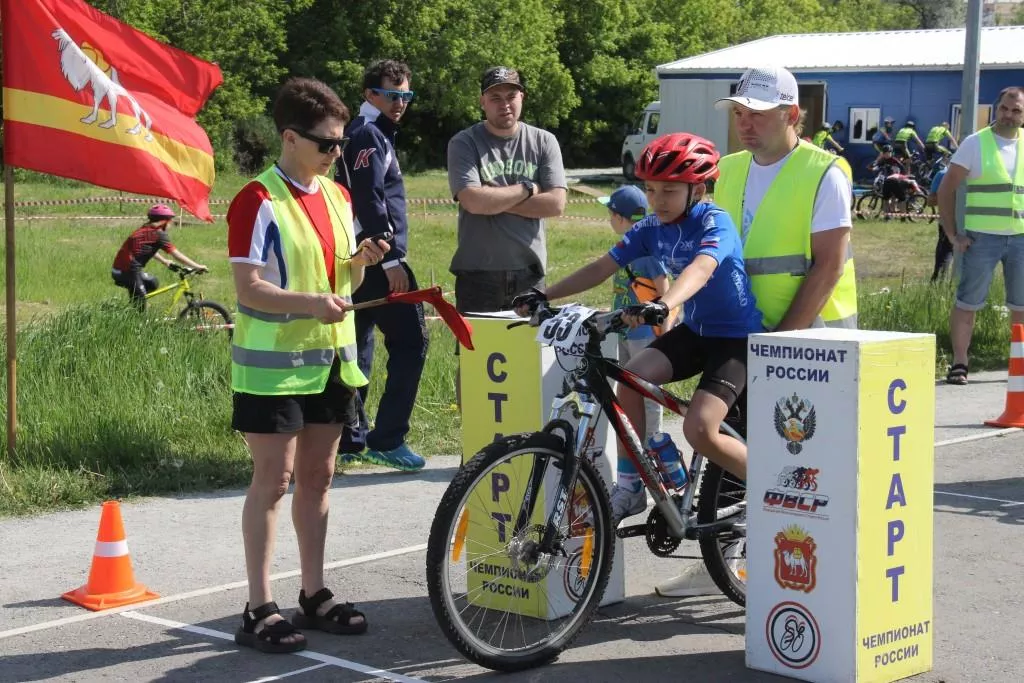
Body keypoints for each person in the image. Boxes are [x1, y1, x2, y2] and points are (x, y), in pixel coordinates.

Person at [653, 65, 858, 599]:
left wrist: (779, 344)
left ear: (792, 115)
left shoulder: (824, 172)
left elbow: (828, 266)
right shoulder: (727, 169)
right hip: (737, 330)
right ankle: (720, 563)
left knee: (798, 454)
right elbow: (701, 248)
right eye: (739, 113)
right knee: (734, 443)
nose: (745, 124)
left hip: (810, 340)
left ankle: (809, 561)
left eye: (758, 115)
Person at [513, 133, 763, 528]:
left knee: (699, 429)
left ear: (697, 190)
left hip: (737, 339)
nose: (657, 200)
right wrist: (544, 293)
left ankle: (776, 492)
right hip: (697, 332)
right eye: (650, 189)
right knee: (629, 379)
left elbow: (701, 268)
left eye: (669, 190)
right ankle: (631, 486)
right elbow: (602, 267)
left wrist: (665, 303)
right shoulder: (650, 227)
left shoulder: (714, 222)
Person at [227, 77, 390, 654]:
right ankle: (258, 606)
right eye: (326, 144)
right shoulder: (257, 199)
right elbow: (249, 289)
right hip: (272, 369)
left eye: (340, 143)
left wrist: (361, 262)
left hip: (331, 364)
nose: (336, 153)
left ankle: (313, 594)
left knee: (319, 479)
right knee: (273, 482)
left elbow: (343, 281)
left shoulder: (339, 196)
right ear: (290, 137)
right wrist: (311, 303)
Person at [335, 59, 428, 472]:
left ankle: (349, 440)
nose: (400, 103)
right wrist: (390, 257)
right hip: (376, 256)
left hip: (362, 255)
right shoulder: (368, 133)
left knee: (358, 346)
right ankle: (387, 440)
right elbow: (369, 196)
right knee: (412, 342)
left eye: (406, 96)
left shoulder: (371, 131)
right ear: (370, 94)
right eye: (392, 95)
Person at [447, 66, 567, 314]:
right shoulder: (464, 142)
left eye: (511, 96)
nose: (505, 105)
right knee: (478, 342)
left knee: (527, 341)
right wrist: (528, 188)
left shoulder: (544, 141)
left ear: (522, 97)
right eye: (495, 98)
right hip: (477, 276)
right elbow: (473, 201)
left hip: (529, 275)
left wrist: (493, 200)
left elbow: (555, 204)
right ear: (482, 102)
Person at [937, 86, 1024, 386]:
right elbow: (946, 190)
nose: (1009, 115)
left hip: (1021, 239)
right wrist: (952, 235)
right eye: (1004, 108)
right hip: (981, 239)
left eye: (1016, 110)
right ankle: (960, 363)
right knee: (968, 302)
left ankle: (1019, 366)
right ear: (996, 108)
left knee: (1021, 306)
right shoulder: (976, 143)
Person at [598, 184, 672, 448]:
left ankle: (653, 442)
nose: (609, 220)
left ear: (620, 217)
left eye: (610, 214)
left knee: (647, 390)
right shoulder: (625, 248)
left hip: (644, 335)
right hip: (624, 332)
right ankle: (633, 441)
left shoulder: (648, 252)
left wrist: (664, 330)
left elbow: (665, 292)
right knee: (626, 387)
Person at [110, 204, 207, 310]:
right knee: (141, 306)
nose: (171, 224)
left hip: (123, 269)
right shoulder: (158, 234)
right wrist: (197, 266)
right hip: (127, 271)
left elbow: (147, 249)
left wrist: (164, 261)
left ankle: (133, 306)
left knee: (152, 283)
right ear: (163, 221)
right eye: (170, 221)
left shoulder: (146, 228)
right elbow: (176, 254)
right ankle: (137, 312)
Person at [928, 164, 952, 282]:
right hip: (974, 222)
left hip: (948, 221)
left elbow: (931, 201)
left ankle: (938, 283)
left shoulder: (942, 174)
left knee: (944, 252)